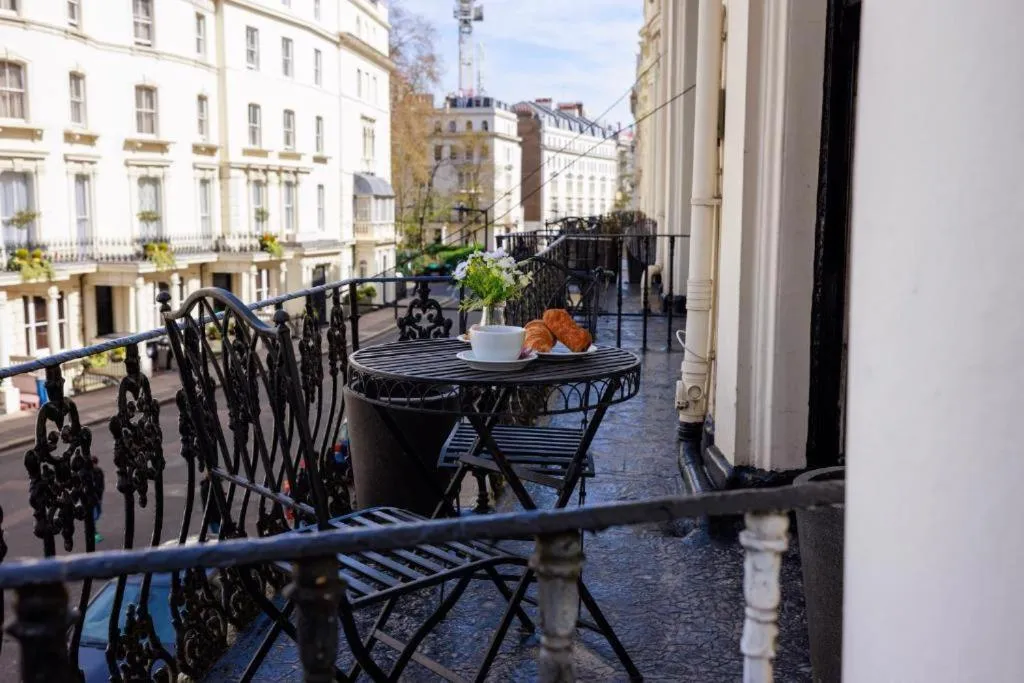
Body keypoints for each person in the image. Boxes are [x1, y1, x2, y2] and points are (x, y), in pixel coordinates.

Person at [91, 456, 104, 544]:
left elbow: (101, 484)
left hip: (98, 496)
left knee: (98, 513)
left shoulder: (99, 471)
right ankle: (94, 535)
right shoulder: (89, 473)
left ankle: (93, 533)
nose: (94, 465)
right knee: (94, 516)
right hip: (92, 498)